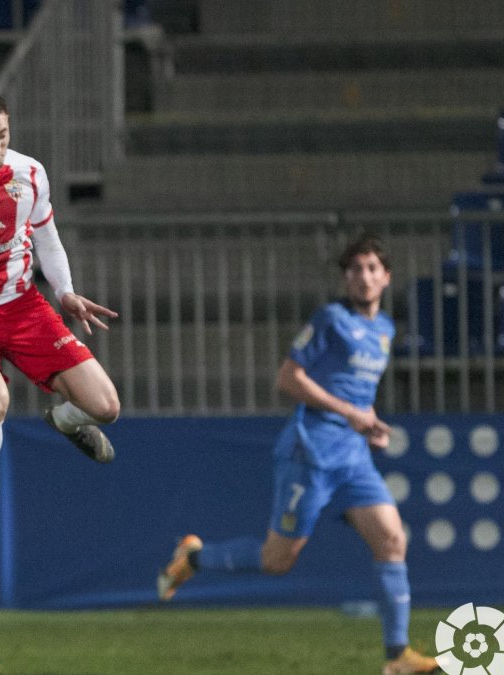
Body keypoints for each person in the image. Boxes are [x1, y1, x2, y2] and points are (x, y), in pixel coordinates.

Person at [155, 235, 439, 675]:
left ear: (386, 277)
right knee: (277, 561)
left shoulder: (385, 329)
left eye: (371, 268)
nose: (363, 277)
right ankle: (194, 557)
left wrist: (370, 424)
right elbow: (288, 379)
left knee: (392, 539)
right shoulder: (331, 319)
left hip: (353, 456)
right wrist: (351, 414)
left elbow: (354, 391)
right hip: (310, 450)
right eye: (354, 269)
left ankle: (397, 656)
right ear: (345, 277)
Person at [0, 82, 121, 547]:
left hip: (23, 305)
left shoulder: (29, 172)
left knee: (106, 407)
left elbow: (46, 235)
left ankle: (64, 421)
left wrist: (66, 292)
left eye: (3, 134)